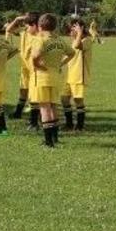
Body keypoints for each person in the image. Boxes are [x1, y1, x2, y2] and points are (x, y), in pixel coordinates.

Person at [31, 13, 75, 148]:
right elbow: (72, 53)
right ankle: (55, 138)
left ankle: (48, 142)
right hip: (56, 77)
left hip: (42, 77)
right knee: (53, 106)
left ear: (40, 25)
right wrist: (61, 63)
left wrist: (37, 65)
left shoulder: (41, 40)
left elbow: (35, 56)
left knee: (44, 108)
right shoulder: (59, 40)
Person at [5, 12, 40, 125]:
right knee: (23, 89)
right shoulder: (24, 31)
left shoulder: (39, 36)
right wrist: (16, 19)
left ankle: (35, 119)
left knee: (35, 93)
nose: (25, 24)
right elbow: (9, 29)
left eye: (28, 22)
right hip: (25, 67)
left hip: (35, 68)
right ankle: (18, 112)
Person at [62, 18, 93, 131]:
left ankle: (80, 126)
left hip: (79, 75)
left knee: (78, 100)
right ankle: (69, 124)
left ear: (80, 29)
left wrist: (79, 33)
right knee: (64, 99)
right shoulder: (75, 39)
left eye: (72, 29)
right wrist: (58, 64)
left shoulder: (87, 40)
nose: (69, 32)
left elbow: (77, 46)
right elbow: (69, 55)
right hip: (70, 75)